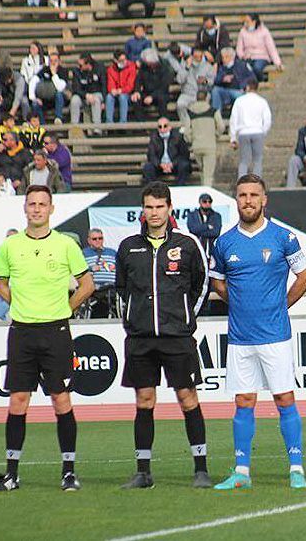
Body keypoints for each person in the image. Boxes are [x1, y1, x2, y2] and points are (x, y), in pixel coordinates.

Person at [0, 185, 95, 492]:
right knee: (18, 401)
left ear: (51, 209)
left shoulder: (65, 245)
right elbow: (0, 281)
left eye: (42, 204)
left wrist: (66, 308)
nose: (36, 209)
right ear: (25, 208)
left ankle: (69, 471)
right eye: (31, 204)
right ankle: (11, 474)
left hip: (56, 331)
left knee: (61, 400)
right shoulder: (11, 246)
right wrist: (18, 303)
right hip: (22, 332)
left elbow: (87, 284)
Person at [209, 175, 306, 490]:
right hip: (241, 337)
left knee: (284, 398)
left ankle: (296, 469)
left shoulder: (284, 237)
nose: (248, 200)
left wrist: (279, 306)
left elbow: (305, 278)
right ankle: (242, 472)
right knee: (243, 401)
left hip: (275, 335)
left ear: (264, 199)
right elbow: (217, 283)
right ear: (236, 199)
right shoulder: (224, 242)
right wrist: (240, 304)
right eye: (242, 195)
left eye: (254, 195)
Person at [116, 181, 210, 490]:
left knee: (187, 397)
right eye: (149, 207)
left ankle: (201, 469)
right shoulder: (129, 246)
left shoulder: (187, 244)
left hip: (177, 336)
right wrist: (131, 320)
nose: (154, 212)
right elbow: (121, 290)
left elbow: (202, 284)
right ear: (142, 211)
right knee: (144, 400)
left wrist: (185, 318)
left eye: (159, 206)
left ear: (169, 208)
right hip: (141, 338)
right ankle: (143, 471)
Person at [229, 79, 271, 178]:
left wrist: (233, 137)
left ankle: (241, 183)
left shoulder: (239, 101)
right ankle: (257, 183)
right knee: (257, 161)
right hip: (257, 131)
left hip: (243, 132)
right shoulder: (262, 101)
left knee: (244, 161)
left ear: (247, 87)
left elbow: (233, 119)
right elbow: (267, 119)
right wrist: (263, 132)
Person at [143, 117, 191, 185]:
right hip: (160, 166)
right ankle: (154, 189)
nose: (162, 129)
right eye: (160, 127)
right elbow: (151, 155)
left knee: (184, 165)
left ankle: (180, 188)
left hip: (175, 165)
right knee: (148, 167)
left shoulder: (178, 136)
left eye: (165, 126)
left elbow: (184, 154)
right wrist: (160, 164)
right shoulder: (154, 137)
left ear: (170, 127)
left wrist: (172, 164)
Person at [81, 228, 117, 318]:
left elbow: (122, 266)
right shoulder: (83, 253)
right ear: (89, 240)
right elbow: (78, 270)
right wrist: (90, 268)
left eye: (100, 238)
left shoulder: (112, 252)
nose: (98, 241)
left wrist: (116, 267)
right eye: (94, 239)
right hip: (93, 285)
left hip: (112, 285)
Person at [236, 13, 283, 82]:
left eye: (248, 21)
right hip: (248, 57)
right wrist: (242, 56)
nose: (246, 23)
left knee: (257, 68)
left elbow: (271, 48)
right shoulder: (242, 32)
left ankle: (260, 82)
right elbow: (239, 48)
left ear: (254, 21)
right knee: (244, 68)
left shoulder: (264, 31)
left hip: (261, 57)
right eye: (245, 21)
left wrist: (278, 63)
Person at [175, 49, 214, 127]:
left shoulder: (208, 66)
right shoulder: (184, 65)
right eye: (196, 57)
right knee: (180, 104)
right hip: (187, 94)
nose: (198, 58)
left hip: (202, 94)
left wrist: (205, 81)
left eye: (200, 57)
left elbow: (212, 81)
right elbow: (179, 80)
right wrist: (187, 67)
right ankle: (187, 125)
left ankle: (203, 125)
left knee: (205, 105)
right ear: (192, 56)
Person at [131, 48, 173, 120]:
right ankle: (141, 125)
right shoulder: (144, 66)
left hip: (160, 93)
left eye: (149, 63)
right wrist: (136, 91)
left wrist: (152, 97)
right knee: (136, 99)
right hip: (147, 92)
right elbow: (138, 80)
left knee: (161, 99)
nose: (148, 65)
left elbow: (164, 87)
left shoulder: (165, 67)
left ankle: (163, 122)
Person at [210, 47, 256, 112]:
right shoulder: (221, 67)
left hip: (238, 90)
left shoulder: (242, 65)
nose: (223, 59)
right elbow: (215, 80)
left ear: (232, 57)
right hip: (225, 90)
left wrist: (243, 86)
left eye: (226, 57)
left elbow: (252, 77)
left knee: (238, 95)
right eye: (222, 57)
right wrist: (223, 79)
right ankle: (216, 114)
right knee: (215, 90)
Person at [70, 53, 106, 128]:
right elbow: (76, 88)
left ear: (88, 64)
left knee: (95, 100)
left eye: (81, 65)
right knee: (74, 100)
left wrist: (104, 101)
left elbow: (103, 85)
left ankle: (97, 128)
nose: (79, 67)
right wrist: (86, 95)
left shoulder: (99, 68)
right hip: (83, 95)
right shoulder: (77, 71)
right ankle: (74, 127)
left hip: (96, 93)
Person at [187, 99, 219, 185]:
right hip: (210, 145)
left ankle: (202, 189)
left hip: (196, 146)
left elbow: (187, 131)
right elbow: (221, 126)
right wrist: (216, 135)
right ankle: (207, 194)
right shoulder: (213, 111)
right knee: (208, 174)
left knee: (202, 171)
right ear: (207, 97)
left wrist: (191, 139)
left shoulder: (190, 112)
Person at [106, 50, 137, 123]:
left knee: (122, 97)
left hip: (127, 94)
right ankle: (109, 122)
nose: (124, 62)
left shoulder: (131, 67)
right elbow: (110, 84)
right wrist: (112, 90)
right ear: (115, 60)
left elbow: (130, 85)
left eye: (125, 59)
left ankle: (123, 122)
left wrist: (121, 90)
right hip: (116, 93)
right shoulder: (111, 70)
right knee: (109, 97)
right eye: (121, 60)